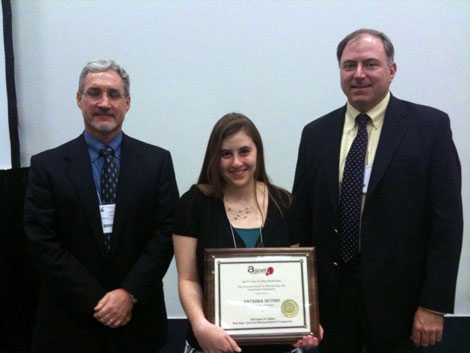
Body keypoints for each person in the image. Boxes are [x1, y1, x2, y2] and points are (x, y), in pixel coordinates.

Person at [292, 29, 463, 353]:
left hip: (404, 305)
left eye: (370, 64)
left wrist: (433, 305)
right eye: (349, 65)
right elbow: (301, 220)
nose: (359, 74)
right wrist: (303, 305)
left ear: (391, 71)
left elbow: (447, 224)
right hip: (332, 303)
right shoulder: (315, 133)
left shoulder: (429, 128)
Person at [24, 59, 179, 353]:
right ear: (79, 100)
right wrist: (96, 300)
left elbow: (166, 234)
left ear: (128, 102)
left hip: (139, 322)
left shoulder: (156, 162)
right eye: (94, 93)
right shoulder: (47, 166)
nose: (104, 102)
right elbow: (42, 243)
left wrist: (128, 294)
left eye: (114, 94)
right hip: (71, 321)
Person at [173, 113, 321, 353]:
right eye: (225, 154)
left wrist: (303, 323)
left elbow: (297, 278)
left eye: (244, 151)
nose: (236, 162)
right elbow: (187, 279)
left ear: (257, 153)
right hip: (212, 344)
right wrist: (200, 326)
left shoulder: (284, 203)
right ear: (214, 157)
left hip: (277, 346)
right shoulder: (193, 204)